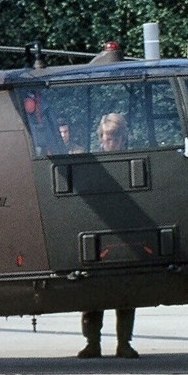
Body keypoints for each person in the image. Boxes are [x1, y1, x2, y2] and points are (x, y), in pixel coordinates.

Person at [79, 111, 139, 359]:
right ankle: (92, 342)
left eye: (114, 136)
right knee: (92, 294)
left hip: (126, 234)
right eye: (106, 136)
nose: (110, 141)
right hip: (97, 235)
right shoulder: (92, 164)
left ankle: (124, 342)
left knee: (125, 294)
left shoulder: (133, 160)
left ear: (124, 136)